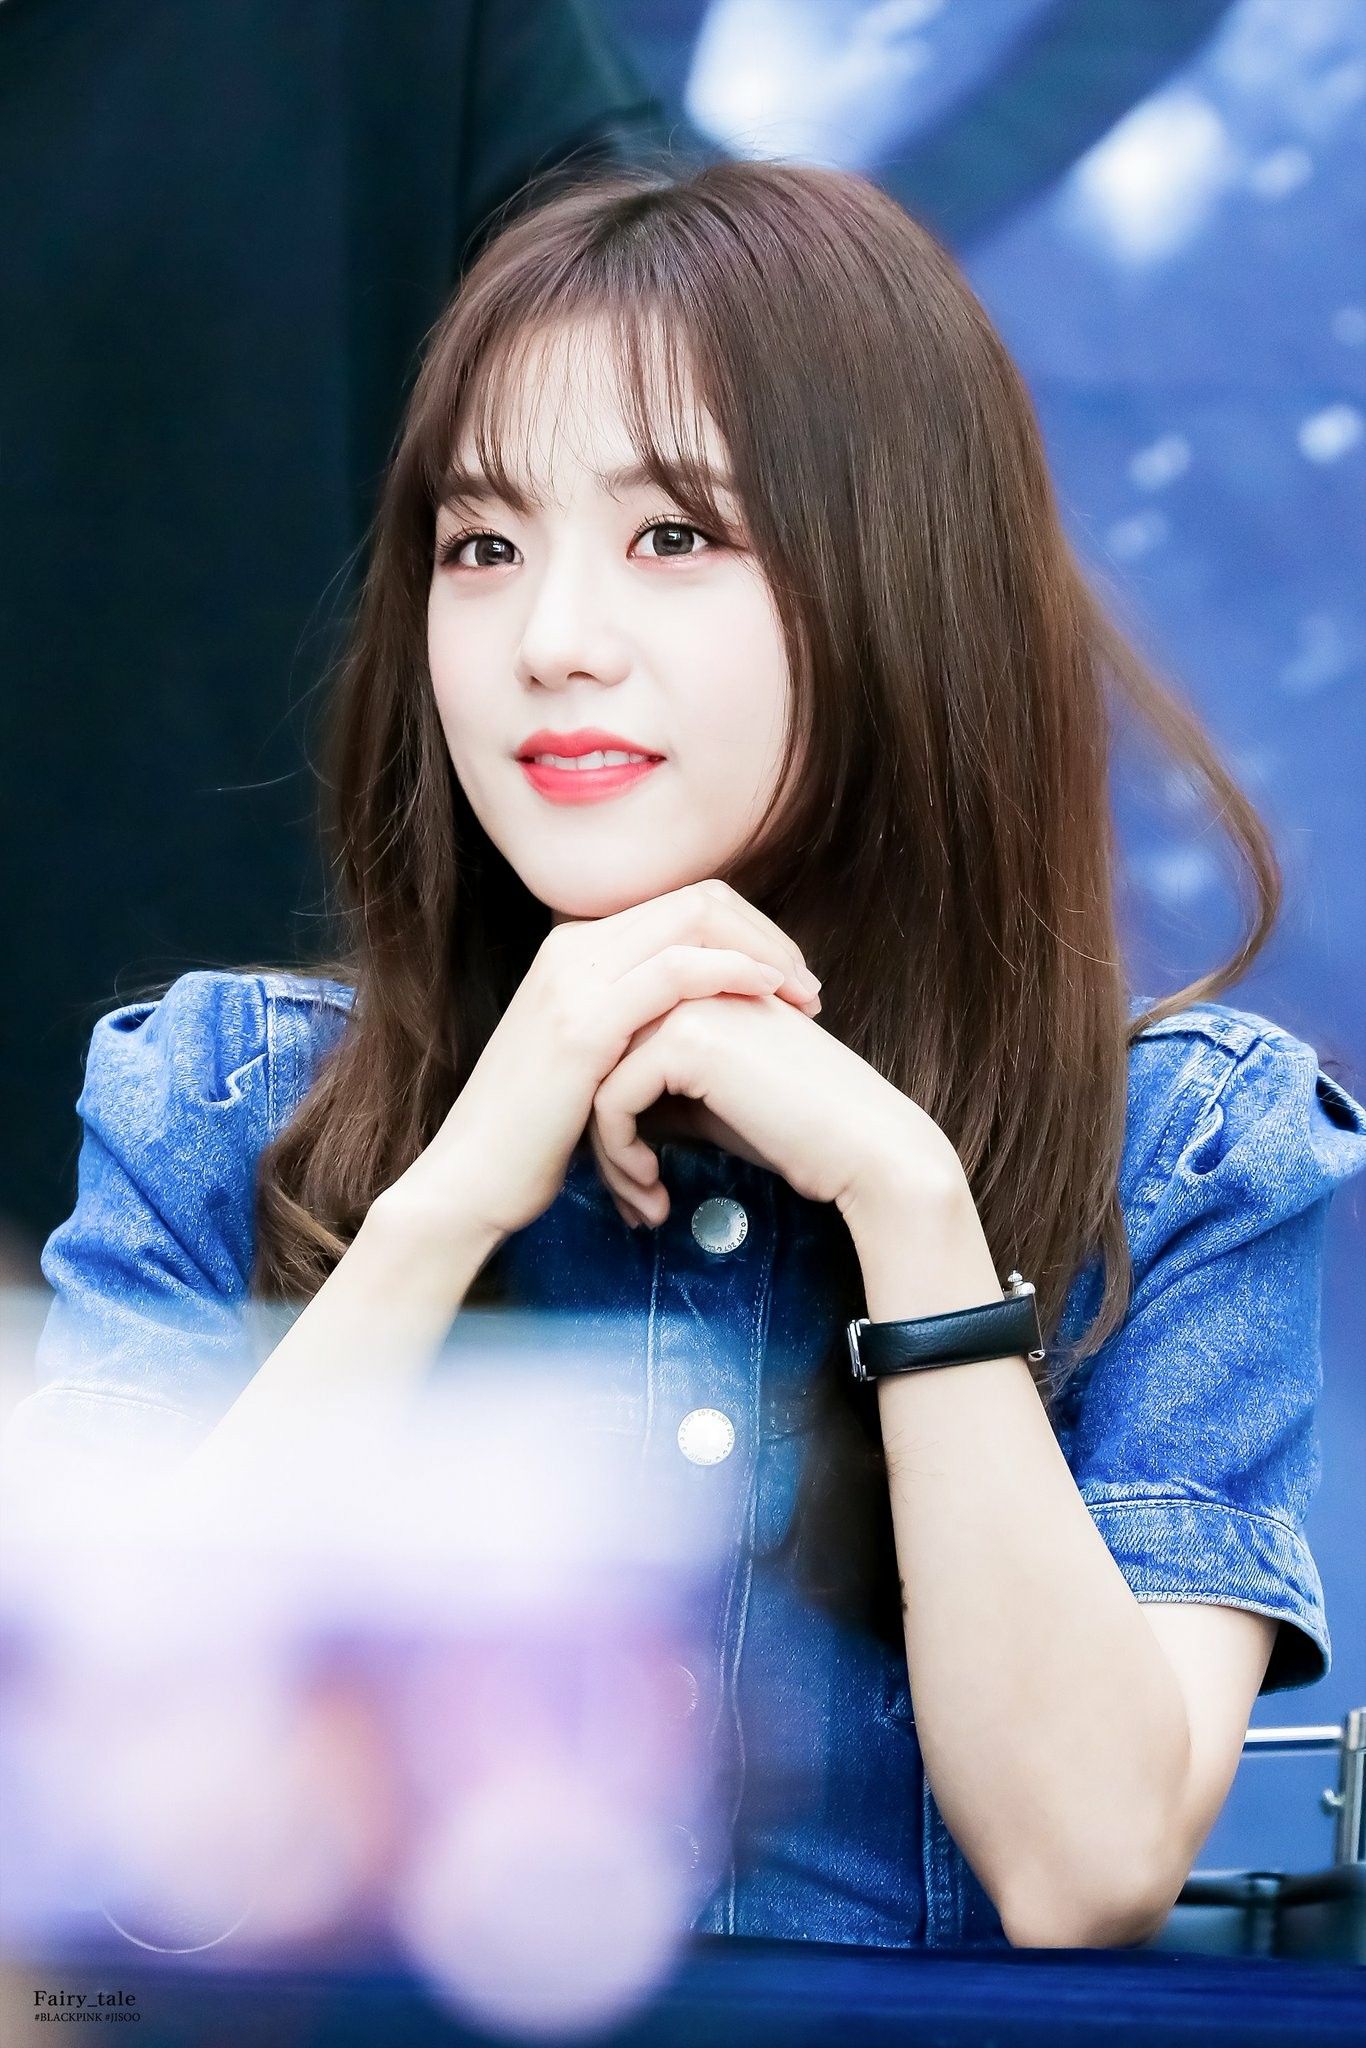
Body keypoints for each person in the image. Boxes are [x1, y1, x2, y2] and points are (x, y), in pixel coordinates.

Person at [7, 160, 1366, 1953]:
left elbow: (1083, 1869)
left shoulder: (1181, 1146)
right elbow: (97, 1795)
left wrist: (908, 1205)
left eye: (674, 537)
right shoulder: (217, 1100)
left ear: (903, 581)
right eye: (481, 546)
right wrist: (447, 1205)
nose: (550, 643)